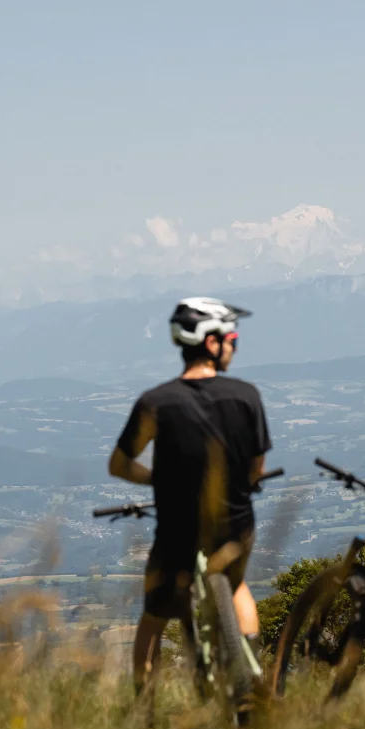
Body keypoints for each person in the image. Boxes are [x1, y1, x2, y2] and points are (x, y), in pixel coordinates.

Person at [108, 297, 272, 703]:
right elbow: (256, 468)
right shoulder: (247, 396)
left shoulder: (156, 402)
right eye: (232, 339)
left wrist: (158, 480)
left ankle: (143, 710)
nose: (235, 347)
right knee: (237, 586)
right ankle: (251, 675)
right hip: (235, 523)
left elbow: (119, 464)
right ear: (211, 343)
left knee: (153, 617)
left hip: (176, 530)